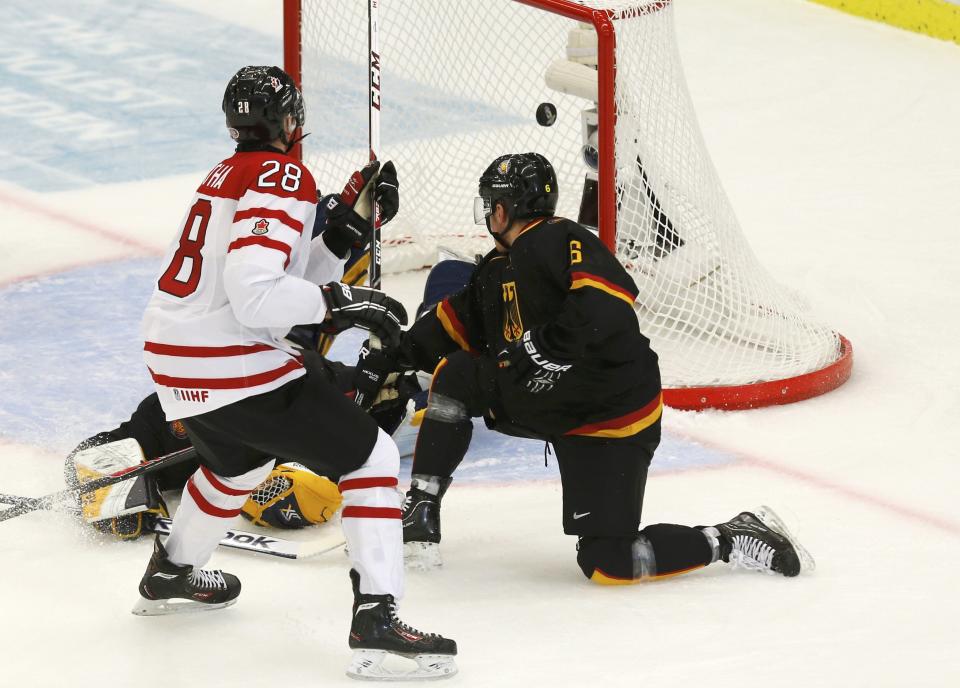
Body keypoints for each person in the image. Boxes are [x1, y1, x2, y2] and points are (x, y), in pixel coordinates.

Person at [354, 152, 814, 584]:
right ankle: (421, 508)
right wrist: (393, 353)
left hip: (608, 417)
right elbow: (451, 327)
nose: (489, 214)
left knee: (610, 562)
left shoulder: (562, 239)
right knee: (455, 373)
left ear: (506, 208)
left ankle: (732, 537)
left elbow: (608, 311)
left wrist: (543, 348)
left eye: (492, 203)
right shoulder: (495, 271)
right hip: (546, 402)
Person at [134, 65, 456, 680]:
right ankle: (378, 622)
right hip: (230, 359)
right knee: (374, 460)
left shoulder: (229, 172)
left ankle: (173, 570)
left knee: (241, 462)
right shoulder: (282, 172)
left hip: (173, 357)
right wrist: (342, 303)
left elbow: (282, 279)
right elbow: (257, 296)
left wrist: (350, 225)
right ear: (288, 122)